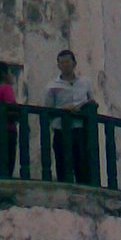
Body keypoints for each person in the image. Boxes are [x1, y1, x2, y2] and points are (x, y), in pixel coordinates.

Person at [45, 50, 95, 183]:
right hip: (61, 129)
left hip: (80, 129)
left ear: (74, 63)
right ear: (58, 66)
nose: (65, 65)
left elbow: (91, 101)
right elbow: (49, 110)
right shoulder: (52, 86)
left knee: (82, 163)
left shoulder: (85, 82)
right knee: (62, 162)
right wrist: (63, 109)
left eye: (67, 61)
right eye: (62, 62)